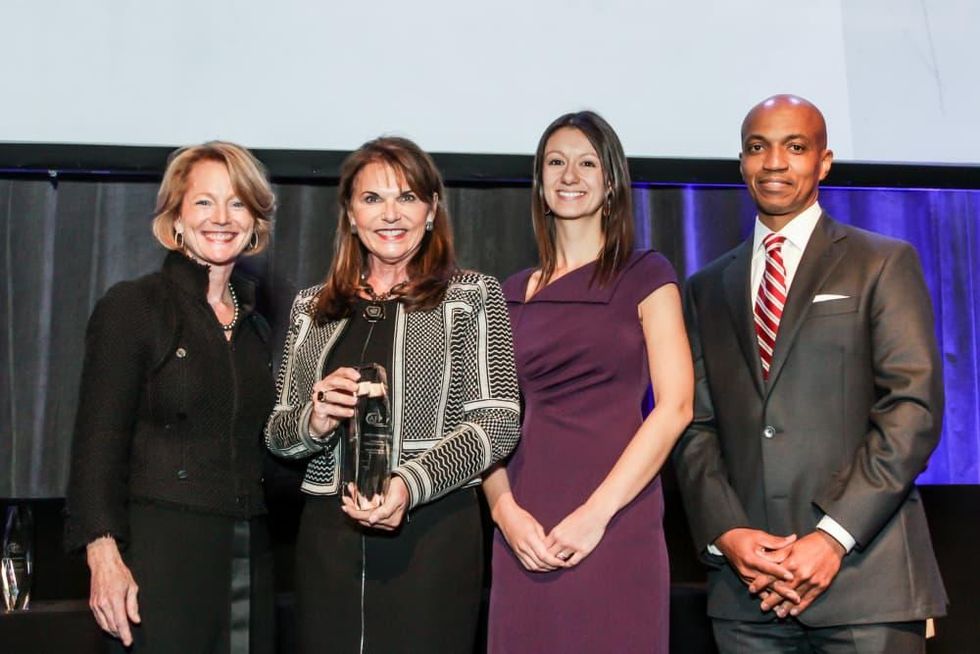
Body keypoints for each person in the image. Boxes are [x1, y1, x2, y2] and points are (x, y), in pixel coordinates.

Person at [672, 95, 948, 652]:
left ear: (824, 162)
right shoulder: (705, 287)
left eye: (794, 147)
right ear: (742, 163)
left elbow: (912, 409)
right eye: (758, 147)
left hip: (865, 584)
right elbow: (694, 425)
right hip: (747, 596)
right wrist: (730, 533)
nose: (774, 162)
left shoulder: (881, 262)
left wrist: (832, 538)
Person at [264, 136, 520, 654]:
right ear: (350, 214)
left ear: (431, 210)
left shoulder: (471, 295)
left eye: (407, 197)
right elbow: (277, 433)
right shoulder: (311, 307)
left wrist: (409, 483)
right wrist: (314, 421)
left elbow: (498, 422)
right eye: (372, 198)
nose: (390, 214)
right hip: (327, 544)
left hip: (433, 535)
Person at [484, 111, 694, 653]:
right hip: (524, 524)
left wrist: (594, 516)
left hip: (616, 517)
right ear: (540, 181)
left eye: (587, 163)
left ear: (611, 182)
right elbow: (484, 423)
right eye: (556, 162)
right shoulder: (508, 294)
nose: (570, 175)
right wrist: (504, 512)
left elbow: (675, 407)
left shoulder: (647, 274)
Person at [64, 142, 278, 652]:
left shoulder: (259, 328)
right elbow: (97, 443)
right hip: (159, 554)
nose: (221, 218)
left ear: (254, 221)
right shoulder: (134, 307)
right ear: (176, 218)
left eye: (237, 203)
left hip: (249, 552)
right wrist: (103, 555)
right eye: (204, 202)